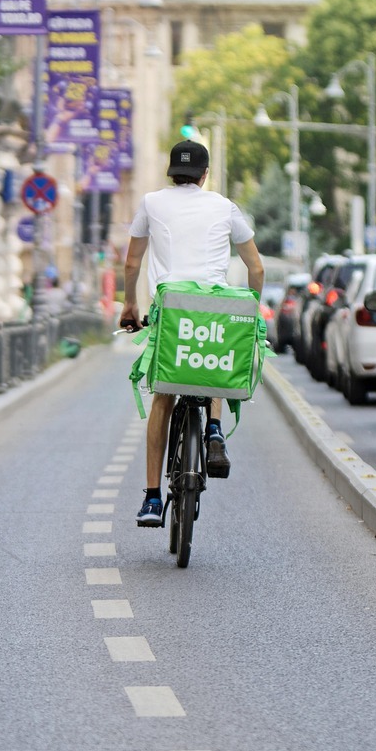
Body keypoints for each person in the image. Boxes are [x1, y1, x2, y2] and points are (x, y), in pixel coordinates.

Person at [120, 140, 264, 527]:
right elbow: (256, 269)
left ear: (171, 173)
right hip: (215, 308)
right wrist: (252, 315)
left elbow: (133, 261)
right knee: (213, 356)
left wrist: (130, 306)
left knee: (163, 399)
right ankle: (214, 429)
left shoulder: (151, 203)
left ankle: (152, 499)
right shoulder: (224, 206)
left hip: (171, 310)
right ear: (205, 175)